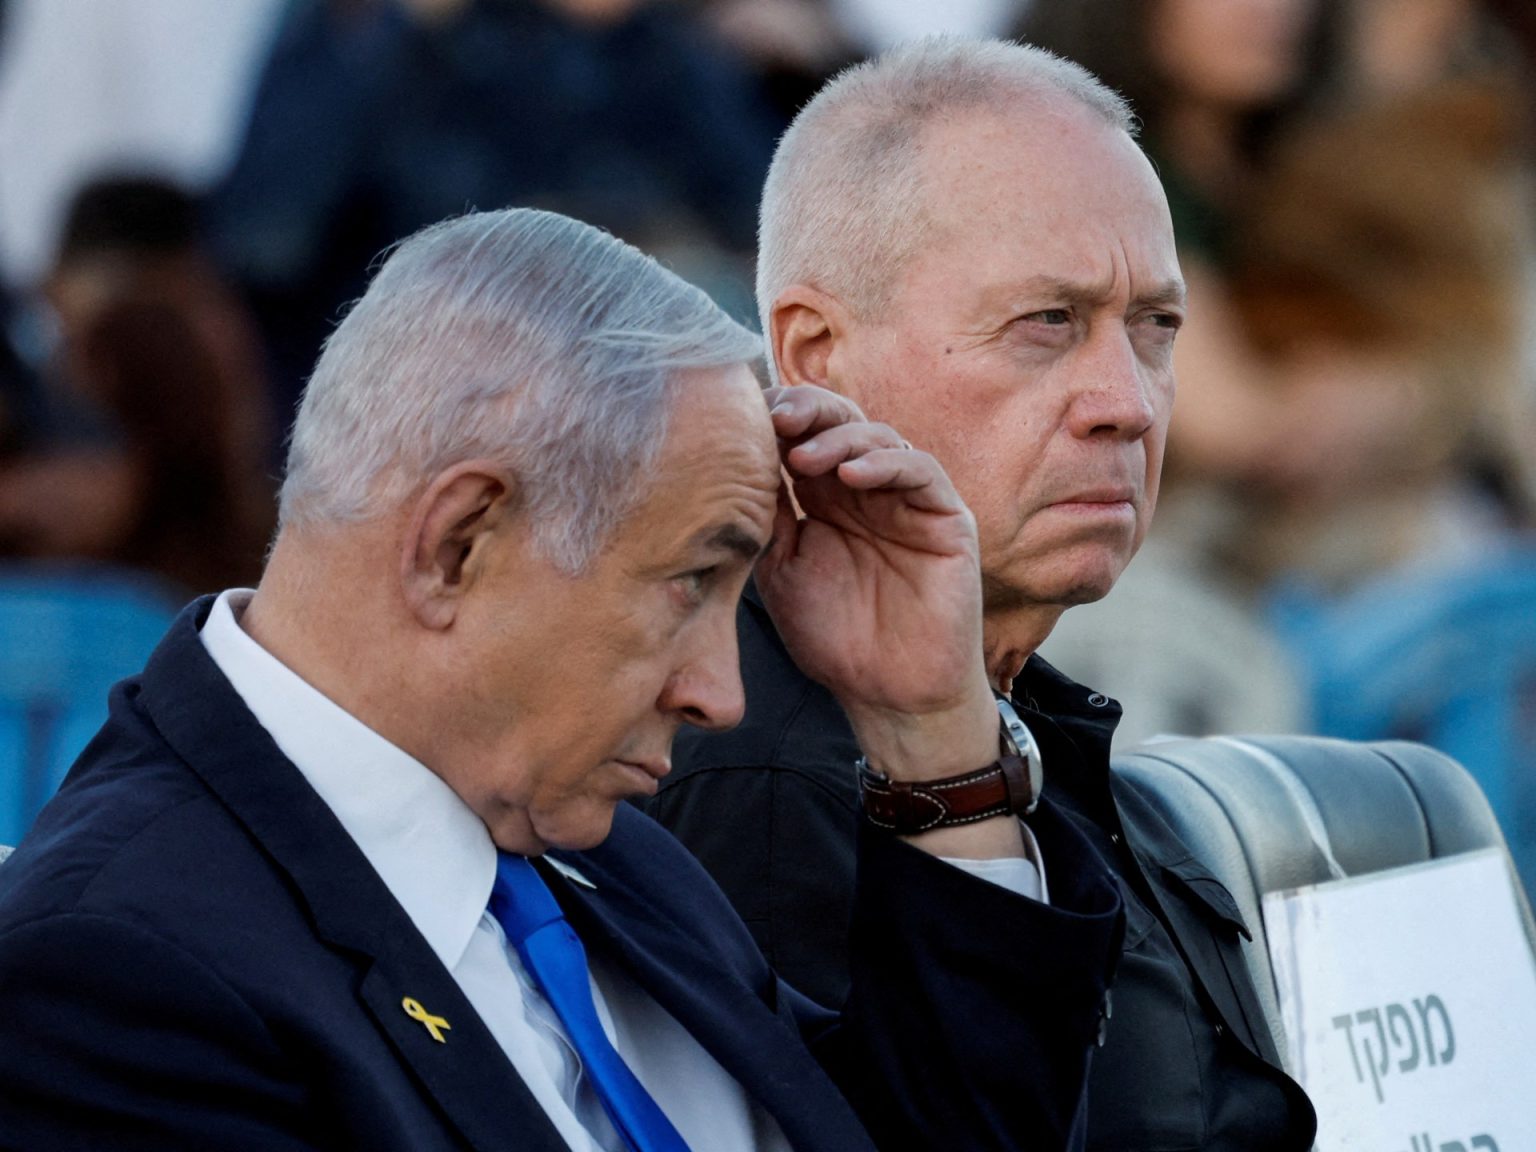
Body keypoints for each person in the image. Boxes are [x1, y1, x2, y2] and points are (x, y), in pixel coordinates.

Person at [0, 207, 1123, 1150]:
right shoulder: (116, 971)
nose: (721, 695)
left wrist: (928, 726)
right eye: (691, 581)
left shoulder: (610, 855)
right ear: (458, 545)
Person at [646, 38, 1319, 1151]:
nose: (1128, 403)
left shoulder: (1005, 692)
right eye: (1047, 323)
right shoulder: (758, 769)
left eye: (1155, 326)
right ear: (815, 355)